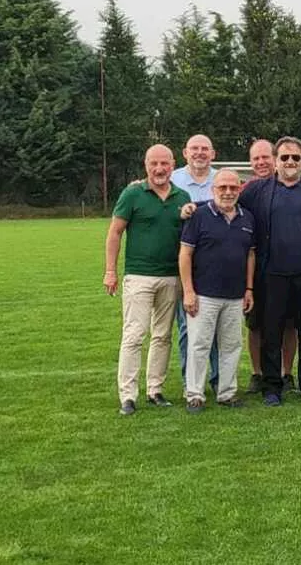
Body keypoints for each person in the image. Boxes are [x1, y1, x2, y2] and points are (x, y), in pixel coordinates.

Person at [238, 136, 301, 406]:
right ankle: (272, 387)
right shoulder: (258, 190)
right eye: (284, 157)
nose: (290, 162)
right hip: (272, 274)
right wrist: (192, 208)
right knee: (271, 332)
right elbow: (227, 200)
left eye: (295, 157)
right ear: (275, 161)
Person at [105, 144, 192, 415]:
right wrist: (110, 271)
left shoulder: (182, 196)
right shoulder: (132, 194)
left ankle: (155, 389)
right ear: (146, 165)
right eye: (154, 163)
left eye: (164, 164)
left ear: (172, 165)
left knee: (163, 336)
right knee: (134, 335)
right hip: (139, 276)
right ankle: (128, 395)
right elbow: (115, 233)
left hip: (171, 277)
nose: (159, 169)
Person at [178, 169, 253, 412]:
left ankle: (227, 393)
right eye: (223, 188)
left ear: (240, 189)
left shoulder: (247, 218)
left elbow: (251, 255)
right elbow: (185, 254)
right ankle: (194, 394)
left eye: (233, 188)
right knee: (199, 345)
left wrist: (249, 288)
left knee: (231, 346)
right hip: (204, 294)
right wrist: (188, 291)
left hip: (235, 295)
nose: (228, 192)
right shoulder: (198, 215)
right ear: (213, 189)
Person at [171, 134, 221, 398]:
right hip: (185, 261)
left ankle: (215, 377)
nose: (199, 153)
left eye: (204, 149)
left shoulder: (222, 180)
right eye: (194, 149)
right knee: (187, 325)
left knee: (215, 327)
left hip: (217, 264)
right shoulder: (174, 180)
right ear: (185, 152)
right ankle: (189, 379)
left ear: (213, 154)